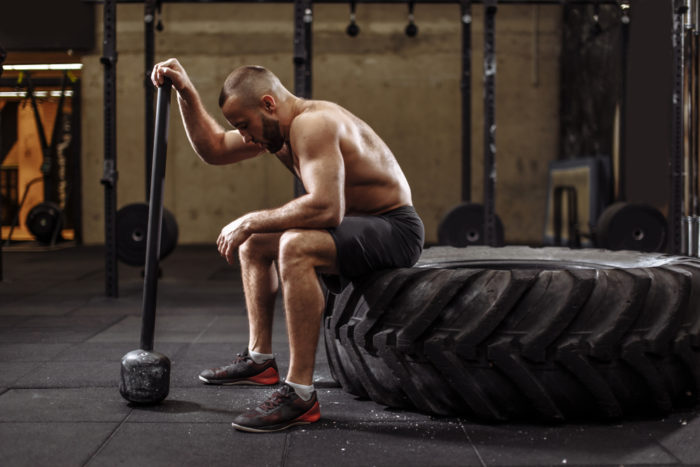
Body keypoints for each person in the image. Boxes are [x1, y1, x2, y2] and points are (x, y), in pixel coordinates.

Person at [151, 59, 424, 433]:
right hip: (356, 227)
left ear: (268, 104)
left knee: (294, 245)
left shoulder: (312, 124)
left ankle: (300, 394)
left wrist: (249, 219)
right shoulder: (275, 130)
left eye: (244, 126)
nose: (245, 137)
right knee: (255, 246)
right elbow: (214, 149)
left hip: (395, 228)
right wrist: (186, 91)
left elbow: (328, 207)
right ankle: (260, 360)